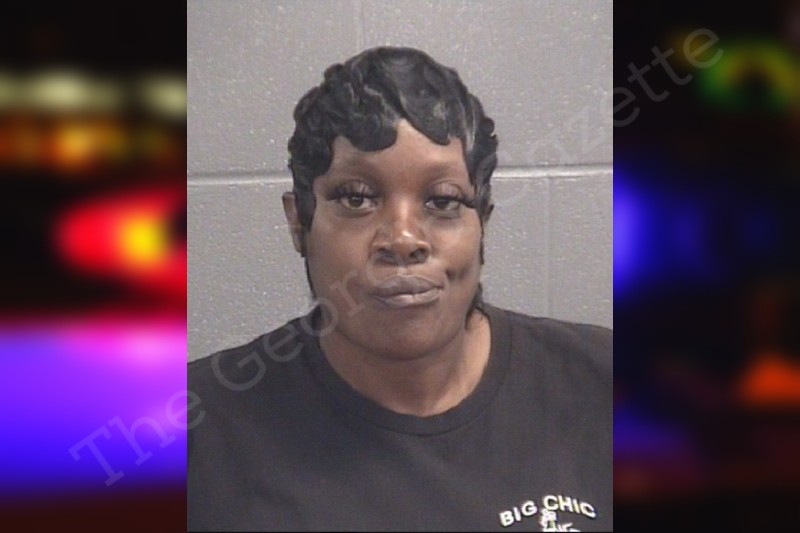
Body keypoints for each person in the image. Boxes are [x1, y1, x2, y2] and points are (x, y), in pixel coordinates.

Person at [187, 46, 612, 531]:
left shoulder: (605, 385)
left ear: (483, 222)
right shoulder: (193, 432)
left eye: (443, 201)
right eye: (356, 198)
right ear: (299, 223)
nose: (404, 240)